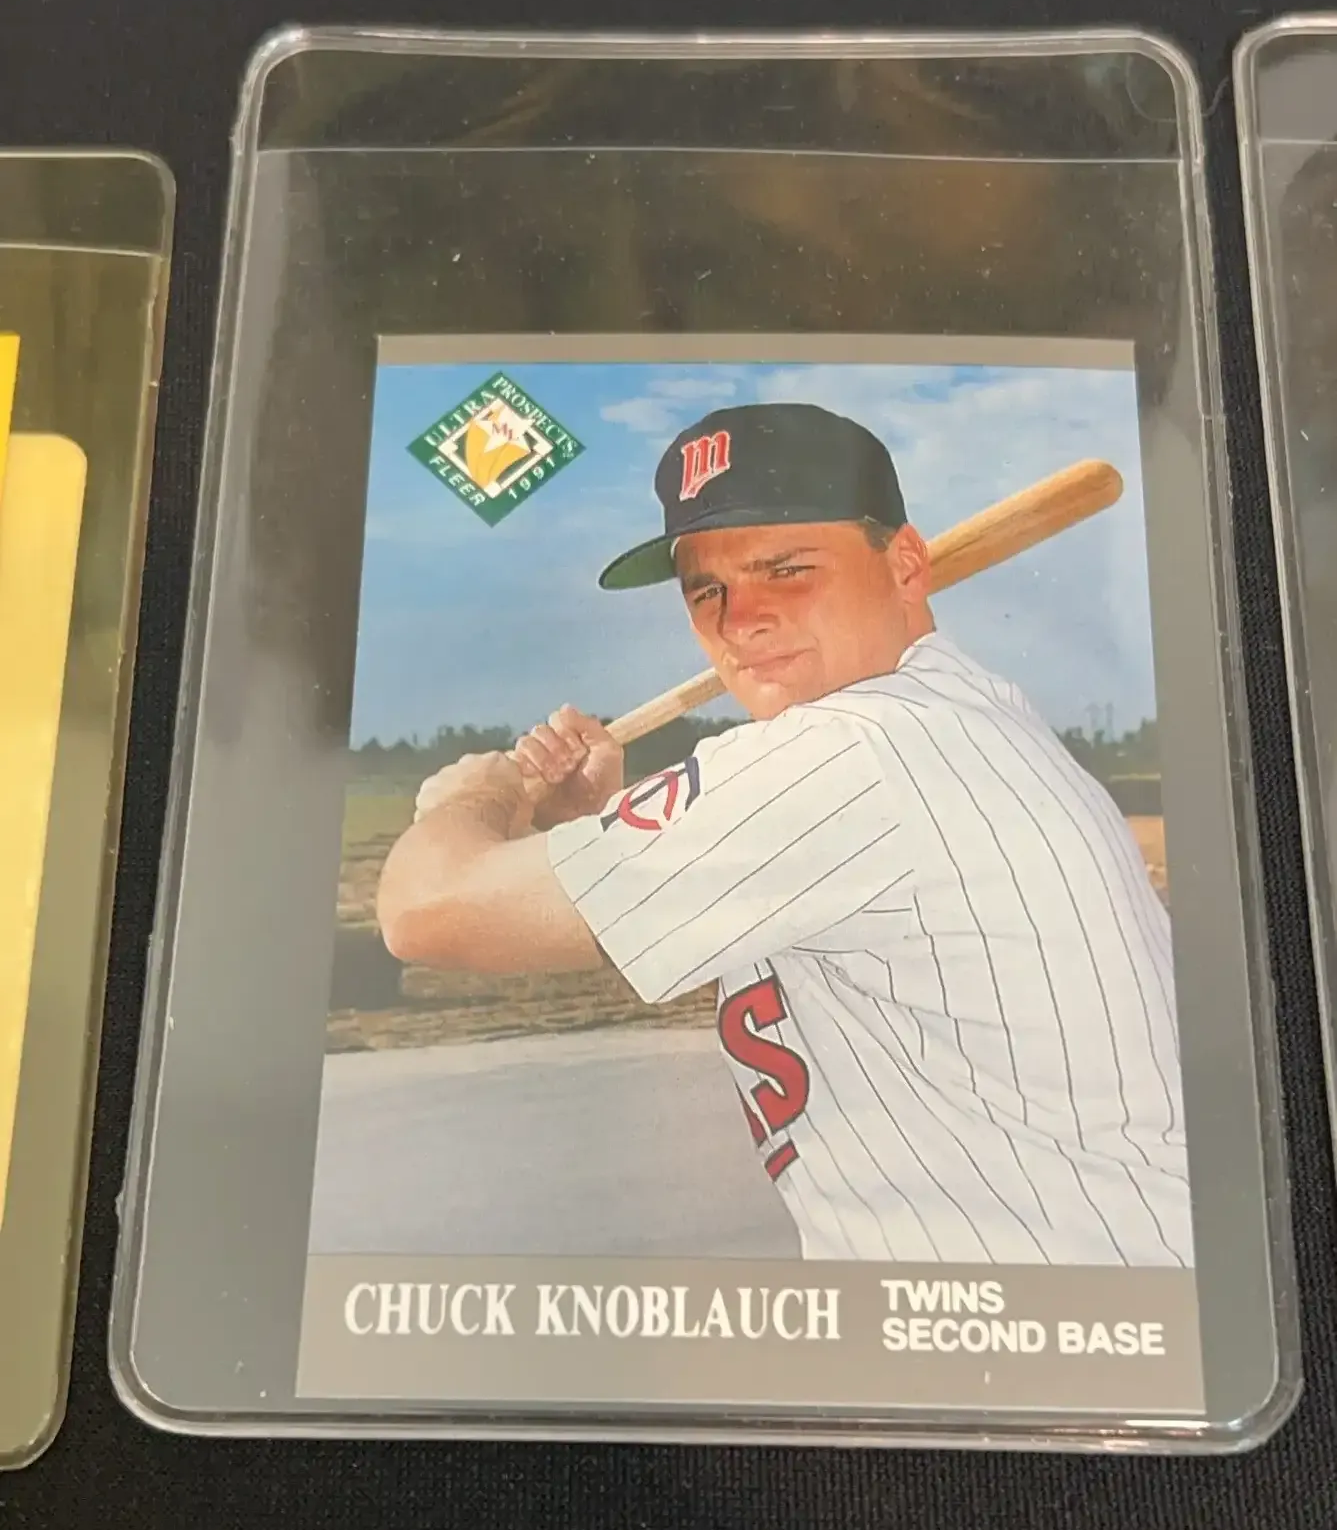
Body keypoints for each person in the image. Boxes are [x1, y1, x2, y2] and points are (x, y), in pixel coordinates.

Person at [376, 401, 1192, 1268]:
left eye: (787, 570)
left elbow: (427, 911)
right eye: (707, 591)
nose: (741, 621)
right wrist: (590, 830)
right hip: (1085, 1287)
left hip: (1036, 1310)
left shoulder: (850, 752)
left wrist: (471, 798)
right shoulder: (959, 714)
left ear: (904, 565)